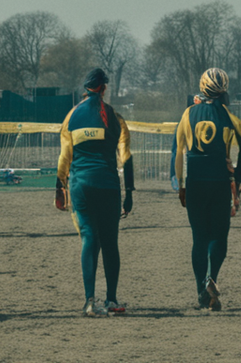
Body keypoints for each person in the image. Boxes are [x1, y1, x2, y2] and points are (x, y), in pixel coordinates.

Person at [56, 68, 135, 317]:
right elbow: (126, 157)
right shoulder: (114, 117)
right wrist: (129, 192)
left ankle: (89, 301)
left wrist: (59, 187)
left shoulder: (71, 116)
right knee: (110, 242)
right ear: (104, 88)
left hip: (81, 185)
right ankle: (111, 300)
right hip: (108, 184)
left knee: (89, 238)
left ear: (86, 88)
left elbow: (63, 159)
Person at [175, 68, 241, 312]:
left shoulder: (189, 113)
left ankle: (201, 288)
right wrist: (237, 178)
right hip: (220, 181)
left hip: (196, 181)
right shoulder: (230, 116)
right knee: (219, 236)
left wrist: (180, 184)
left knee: (199, 237)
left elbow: (179, 151)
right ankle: (212, 278)